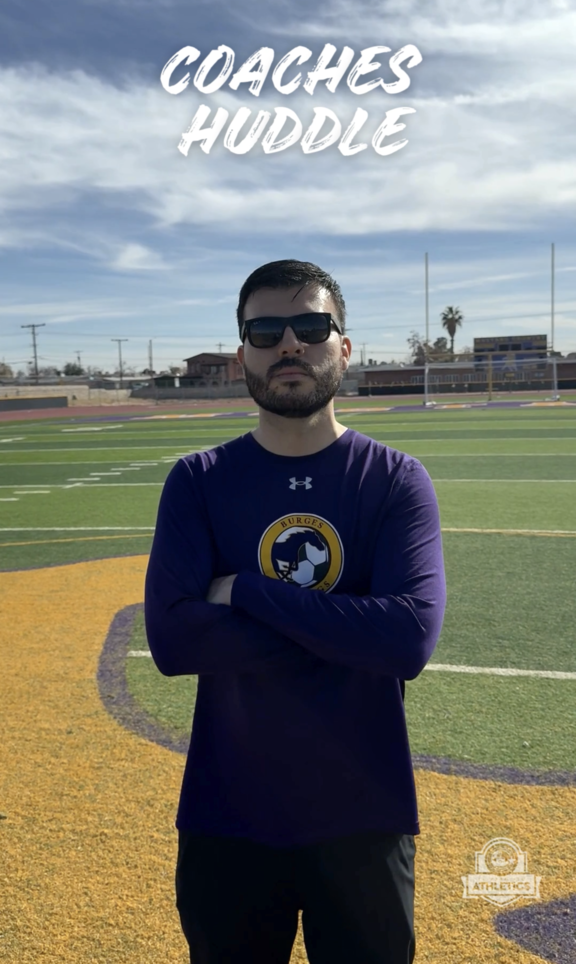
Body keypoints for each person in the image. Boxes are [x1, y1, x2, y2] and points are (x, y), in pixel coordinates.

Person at [144, 259, 447, 964]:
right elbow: (173, 640)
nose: (289, 344)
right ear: (242, 352)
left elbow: (406, 641)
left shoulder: (397, 480)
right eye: (266, 330)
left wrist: (244, 591)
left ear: (342, 347)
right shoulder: (198, 481)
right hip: (229, 819)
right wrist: (348, 627)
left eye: (311, 326)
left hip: (365, 817)